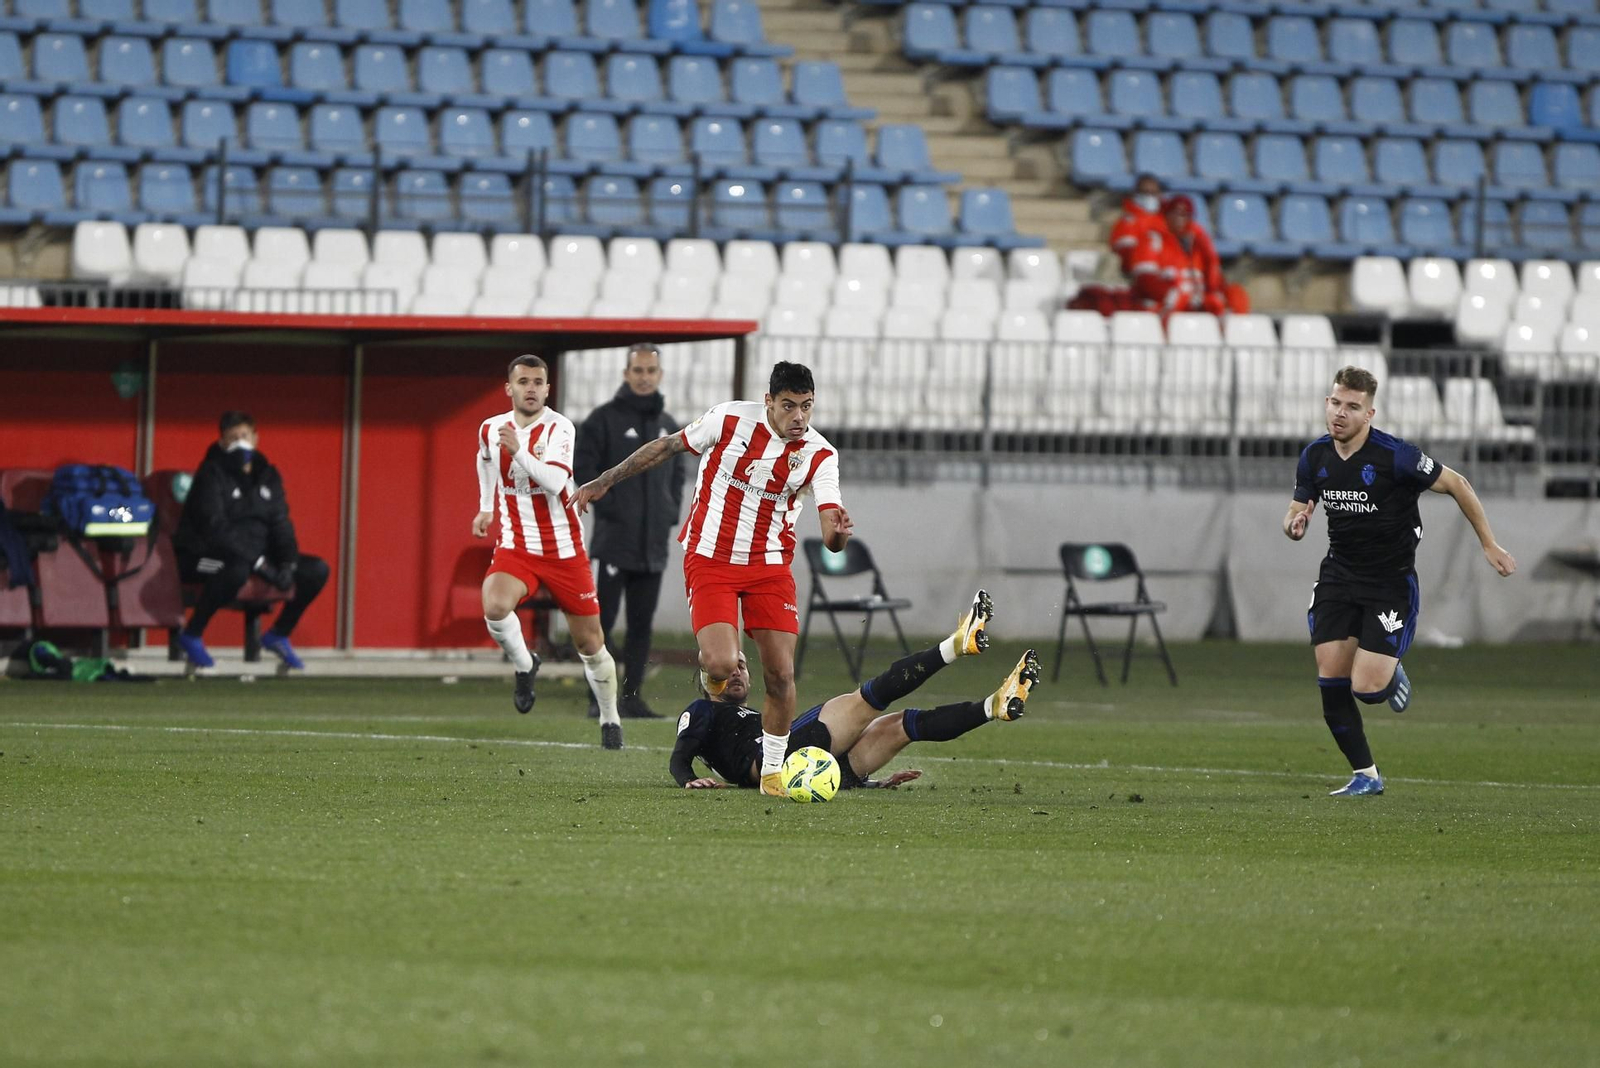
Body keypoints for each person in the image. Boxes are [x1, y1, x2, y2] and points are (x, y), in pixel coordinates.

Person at [575, 361, 852, 797]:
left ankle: (772, 775)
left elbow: (831, 529)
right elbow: (667, 446)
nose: (798, 416)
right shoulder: (729, 419)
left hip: (770, 568)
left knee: (781, 674)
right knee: (722, 664)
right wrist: (606, 480)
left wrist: (838, 536)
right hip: (711, 558)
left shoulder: (821, 454)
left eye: (807, 406)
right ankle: (715, 686)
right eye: (788, 406)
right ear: (768, 401)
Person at [1284, 366, 1516, 797]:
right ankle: (1366, 775)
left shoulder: (1397, 456)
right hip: (1339, 577)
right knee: (1331, 679)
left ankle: (1388, 677)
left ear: (1369, 414)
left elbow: (1458, 483)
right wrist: (1295, 524)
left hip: (1389, 583)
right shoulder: (1315, 457)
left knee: (1367, 688)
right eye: (1335, 403)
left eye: (1352, 407)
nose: (1340, 413)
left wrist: (1489, 543)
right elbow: (1296, 510)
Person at [670, 590, 1040, 790]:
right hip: (784, 758)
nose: (736, 672)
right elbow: (679, 757)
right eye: (730, 667)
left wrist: (869, 783)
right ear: (709, 677)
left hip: (814, 771)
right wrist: (689, 780)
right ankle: (955, 645)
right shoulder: (703, 710)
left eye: (742, 666)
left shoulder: (753, 714)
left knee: (902, 725)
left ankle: (993, 706)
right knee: (869, 698)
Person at [475, 354, 624, 750]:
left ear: (547, 389)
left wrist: (519, 452)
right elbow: (485, 458)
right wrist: (486, 507)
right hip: (517, 544)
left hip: (563, 549)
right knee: (494, 605)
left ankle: (610, 718)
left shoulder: (560, 427)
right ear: (509, 388)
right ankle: (525, 665)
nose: (530, 389)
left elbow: (556, 480)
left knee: (590, 644)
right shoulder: (491, 428)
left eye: (537, 382)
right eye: (523, 381)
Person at [574, 343, 688, 720]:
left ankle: (632, 698)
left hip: (652, 544)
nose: (644, 377)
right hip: (613, 541)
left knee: (641, 625)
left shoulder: (668, 424)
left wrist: (668, 513)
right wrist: (615, 512)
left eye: (650, 371)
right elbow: (584, 470)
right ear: (626, 374)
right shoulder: (602, 420)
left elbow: (678, 475)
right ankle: (599, 697)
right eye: (638, 370)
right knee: (602, 621)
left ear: (660, 375)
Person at [173, 411, 329, 671]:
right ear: (222, 442)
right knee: (233, 569)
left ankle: (279, 634)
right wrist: (258, 563)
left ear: (256, 438)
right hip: (199, 558)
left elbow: (281, 523)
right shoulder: (210, 473)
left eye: (244, 436)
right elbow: (215, 529)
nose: (240, 443)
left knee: (316, 570)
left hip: (253, 559)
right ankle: (192, 634)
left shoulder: (268, 476)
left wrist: (287, 563)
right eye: (232, 438)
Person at [1128, 194, 1251, 319]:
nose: (1179, 218)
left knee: (1236, 295)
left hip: (1199, 305)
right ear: (1166, 214)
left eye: (1184, 214)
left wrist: (1212, 299)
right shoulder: (1152, 239)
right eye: (1175, 212)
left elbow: (1215, 280)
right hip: (1166, 306)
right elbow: (1144, 281)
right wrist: (1176, 296)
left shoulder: (1200, 243)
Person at [1109, 173, 1166, 278]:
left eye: (1153, 193)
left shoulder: (1167, 220)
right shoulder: (1128, 222)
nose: (1149, 197)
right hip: (1142, 275)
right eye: (1145, 192)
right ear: (1136, 193)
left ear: (1159, 194)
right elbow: (1125, 254)